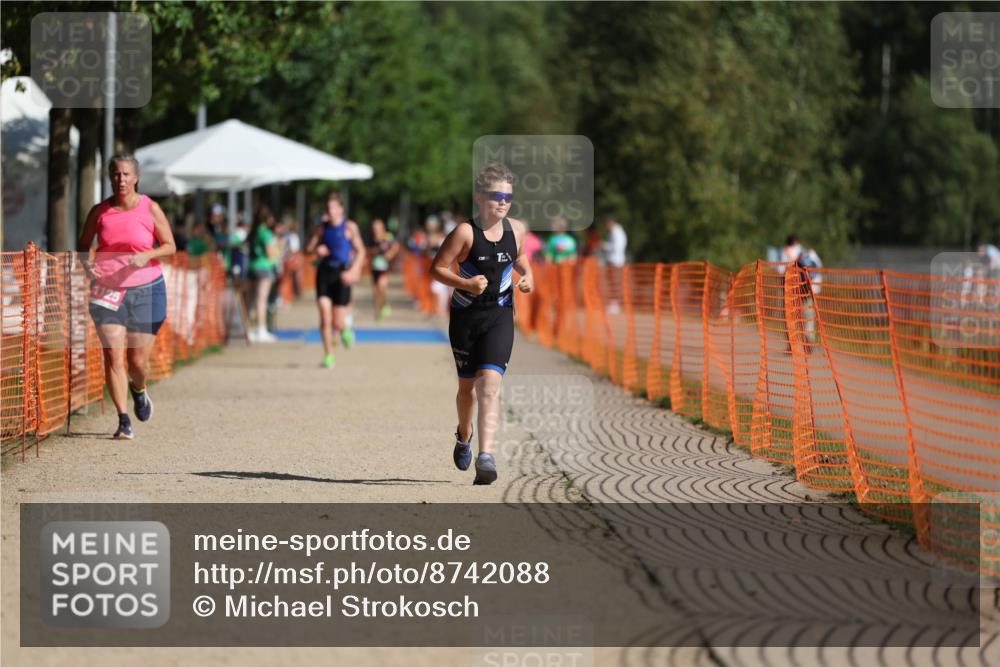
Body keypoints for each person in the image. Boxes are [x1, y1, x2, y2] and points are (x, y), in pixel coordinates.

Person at [430, 161, 534, 485]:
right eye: (496, 195)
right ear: (479, 196)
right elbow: (436, 269)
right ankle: (464, 435)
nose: (502, 202)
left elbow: (520, 258)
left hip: (500, 316)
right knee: (467, 390)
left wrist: (528, 276)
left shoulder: (516, 230)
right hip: (465, 318)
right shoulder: (464, 232)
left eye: (508, 197)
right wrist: (466, 284)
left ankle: (486, 456)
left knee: (489, 384)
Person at [77, 154, 176, 440]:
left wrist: (149, 254)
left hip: (147, 288)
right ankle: (123, 420)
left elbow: (170, 246)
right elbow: (84, 245)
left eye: (126, 174)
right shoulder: (100, 212)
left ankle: (139, 389)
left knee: (137, 363)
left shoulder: (150, 208)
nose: (121, 179)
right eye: (116, 174)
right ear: (110, 178)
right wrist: (88, 266)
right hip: (107, 290)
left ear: (136, 178)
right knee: (113, 355)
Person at [306, 192, 366, 369]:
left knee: (337, 322)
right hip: (324, 273)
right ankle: (328, 356)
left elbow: (361, 251)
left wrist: (354, 270)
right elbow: (308, 249)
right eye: (328, 208)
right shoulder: (321, 228)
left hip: (342, 275)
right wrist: (317, 249)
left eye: (333, 207)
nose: (330, 211)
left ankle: (344, 329)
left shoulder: (350, 227)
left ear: (341, 209)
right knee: (325, 317)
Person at [246, 207, 280, 343]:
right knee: (262, 300)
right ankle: (261, 329)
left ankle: (247, 329)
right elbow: (270, 253)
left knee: (251, 300)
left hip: (253, 266)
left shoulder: (254, 231)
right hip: (264, 268)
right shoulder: (265, 233)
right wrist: (278, 252)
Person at [369, 218, 400, 321]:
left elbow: (396, 246)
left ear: (382, 227)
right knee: (376, 291)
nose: (376, 230)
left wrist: (390, 254)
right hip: (374, 267)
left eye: (378, 228)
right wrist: (376, 250)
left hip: (384, 267)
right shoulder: (371, 239)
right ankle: (378, 312)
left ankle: (382, 307)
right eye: (374, 228)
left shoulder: (388, 236)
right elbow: (367, 251)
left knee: (382, 288)